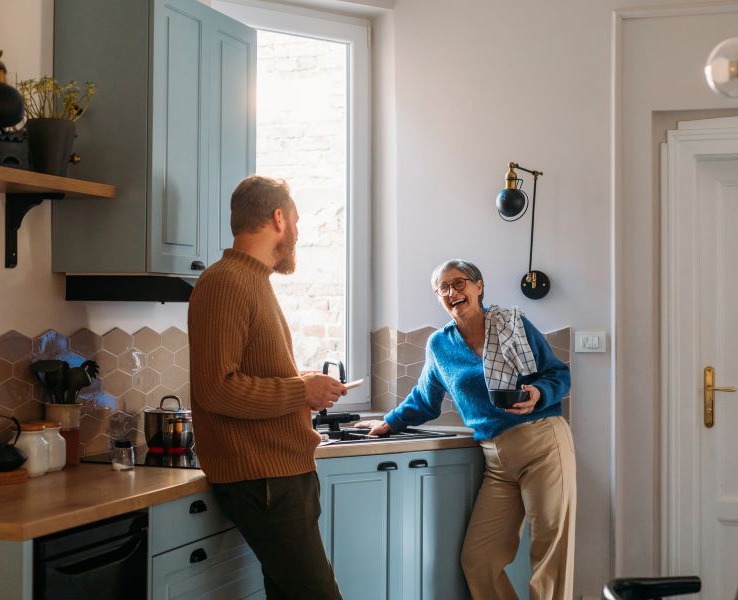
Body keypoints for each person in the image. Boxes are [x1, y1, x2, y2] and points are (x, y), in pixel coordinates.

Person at [358, 259, 575, 600]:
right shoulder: (439, 345)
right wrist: (389, 421)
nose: (451, 292)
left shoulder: (512, 324)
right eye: (442, 288)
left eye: (459, 283)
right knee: (478, 560)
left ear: (479, 286)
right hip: (496, 458)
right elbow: (425, 399)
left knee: (549, 554)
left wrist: (538, 393)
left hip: (541, 440)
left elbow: (559, 374)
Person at [188, 175, 346, 600]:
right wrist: (301, 391)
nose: (297, 231)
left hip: (281, 474)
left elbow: (245, 373)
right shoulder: (225, 281)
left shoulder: (253, 280)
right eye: (295, 220)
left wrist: (303, 383)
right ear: (278, 218)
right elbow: (216, 388)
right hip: (263, 479)